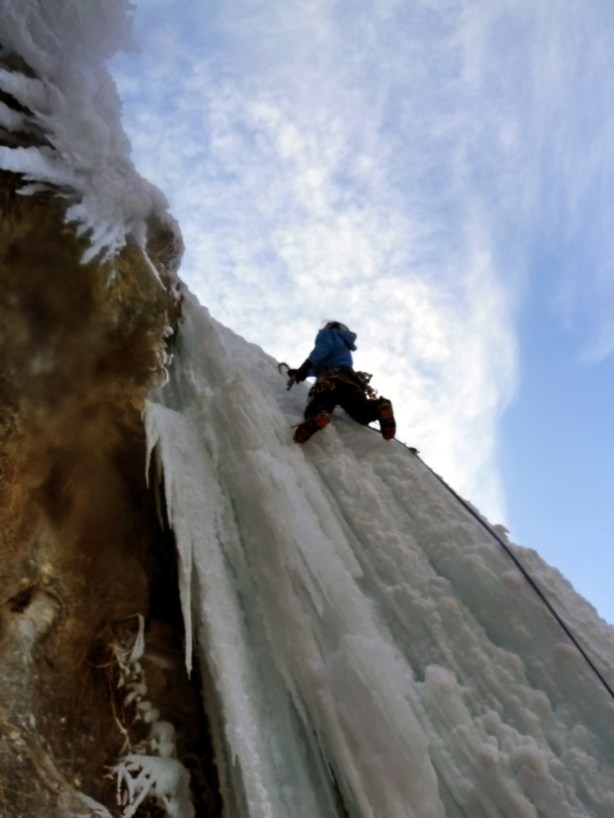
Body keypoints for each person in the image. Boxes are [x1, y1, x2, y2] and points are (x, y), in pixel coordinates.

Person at [287, 321, 396, 444]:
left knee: (322, 402)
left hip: (330, 380)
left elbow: (322, 349)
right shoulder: (343, 345)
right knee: (362, 412)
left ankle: (318, 416)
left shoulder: (328, 333)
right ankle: (379, 406)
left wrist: (306, 366)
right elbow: (321, 366)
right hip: (350, 381)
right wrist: (302, 372)